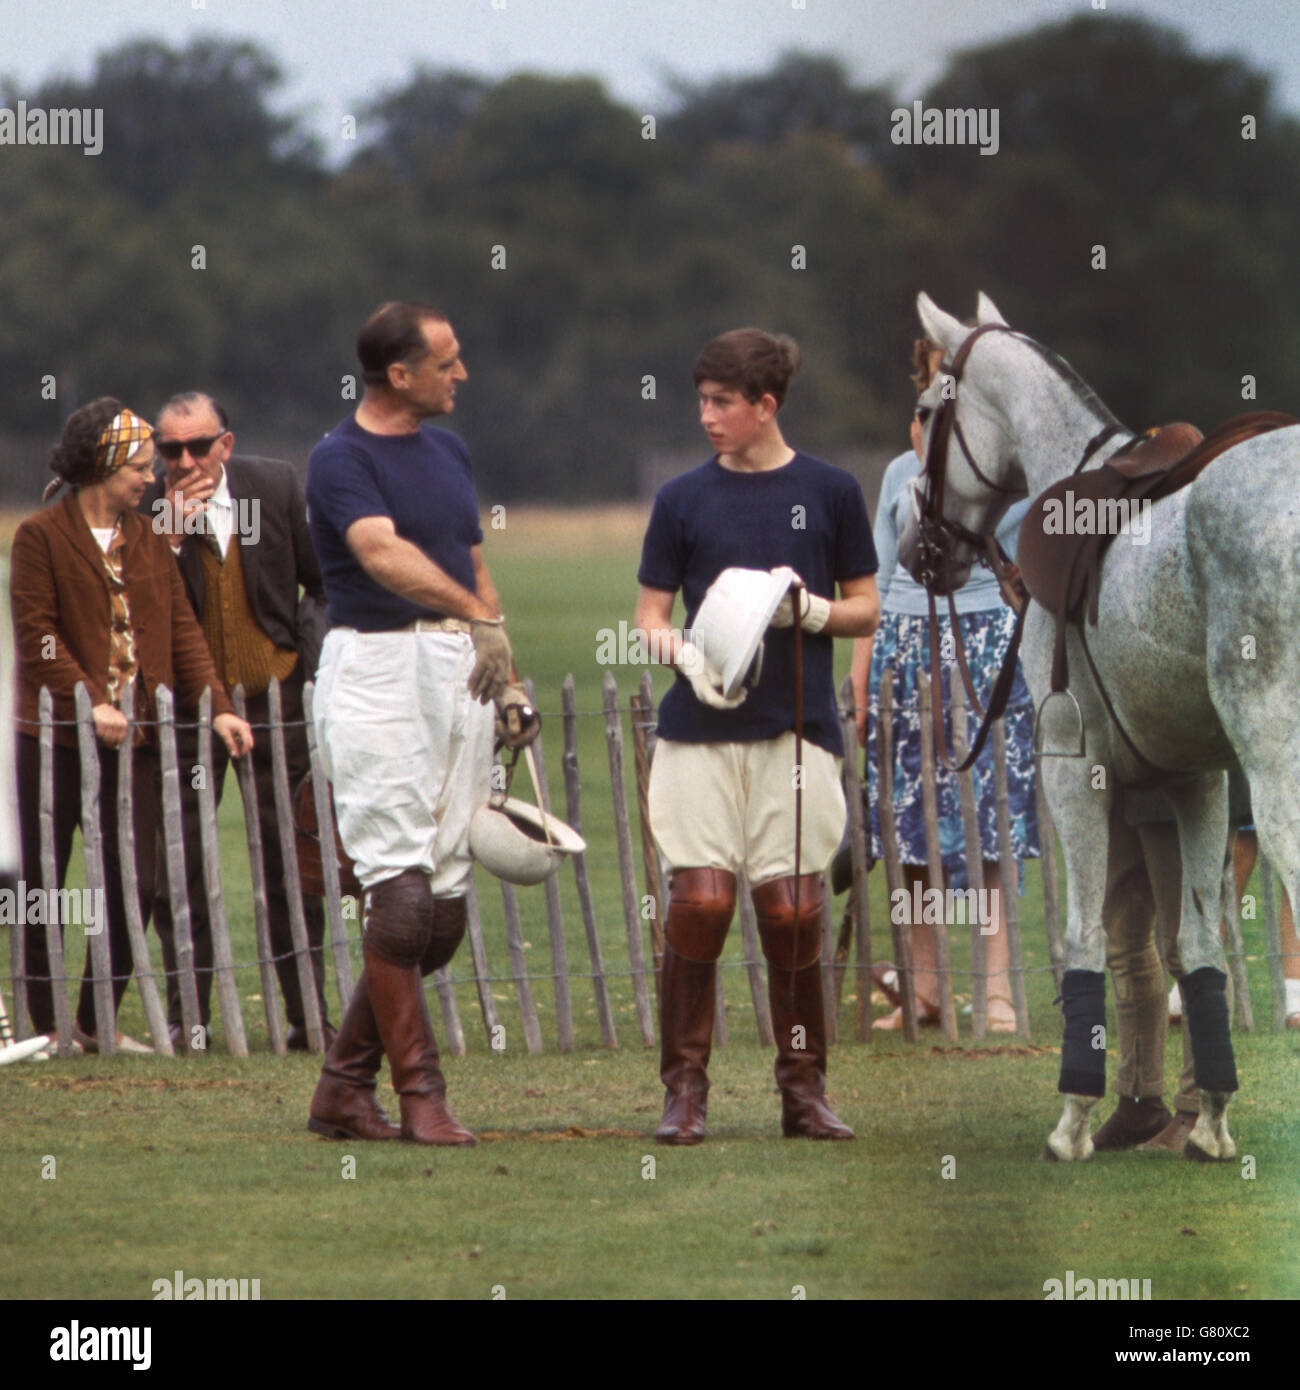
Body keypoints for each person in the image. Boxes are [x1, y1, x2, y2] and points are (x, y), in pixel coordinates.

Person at [637, 328, 879, 1144]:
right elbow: (650, 618)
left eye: (722, 403)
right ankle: (684, 1093)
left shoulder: (833, 490)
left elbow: (867, 607)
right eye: (701, 400)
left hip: (798, 728)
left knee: (795, 910)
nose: (706, 416)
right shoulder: (681, 500)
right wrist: (685, 658)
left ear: (765, 406)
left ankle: (803, 1093)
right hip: (699, 729)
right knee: (700, 902)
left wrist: (806, 611)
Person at [304, 301, 538, 1145]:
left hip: (458, 670)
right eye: (447, 361)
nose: (461, 374)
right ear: (398, 374)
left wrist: (506, 677)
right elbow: (382, 553)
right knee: (397, 903)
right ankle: (421, 1098)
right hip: (375, 671)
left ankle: (339, 1090)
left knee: (438, 917)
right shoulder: (339, 459)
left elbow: (469, 559)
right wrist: (479, 615)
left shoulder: (449, 449)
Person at [9, 399, 253, 1053]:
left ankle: (93, 1024)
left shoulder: (146, 540)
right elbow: (39, 640)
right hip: (54, 739)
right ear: (103, 466)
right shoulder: (39, 538)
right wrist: (92, 701)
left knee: (134, 884)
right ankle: (43, 1027)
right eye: (141, 467)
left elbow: (181, 630)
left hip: (138, 741)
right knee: (44, 886)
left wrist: (221, 705)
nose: (152, 479)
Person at [852, 337, 1039, 1032]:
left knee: (992, 832)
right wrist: (861, 685)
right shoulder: (900, 469)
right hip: (903, 649)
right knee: (910, 835)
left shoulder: (1012, 474)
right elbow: (871, 583)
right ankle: (924, 993)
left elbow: (1031, 578)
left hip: (987, 646)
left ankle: (996, 994)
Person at [143, 392, 330, 1052]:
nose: (186, 461)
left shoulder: (273, 484)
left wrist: (307, 663)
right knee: (181, 867)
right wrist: (164, 536)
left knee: (293, 866)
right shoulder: (143, 504)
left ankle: (308, 1015)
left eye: (200, 446)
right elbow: (129, 607)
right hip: (188, 713)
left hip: (274, 701)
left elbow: (321, 581)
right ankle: (187, 1018)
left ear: (227, 442)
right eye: (171, 451)